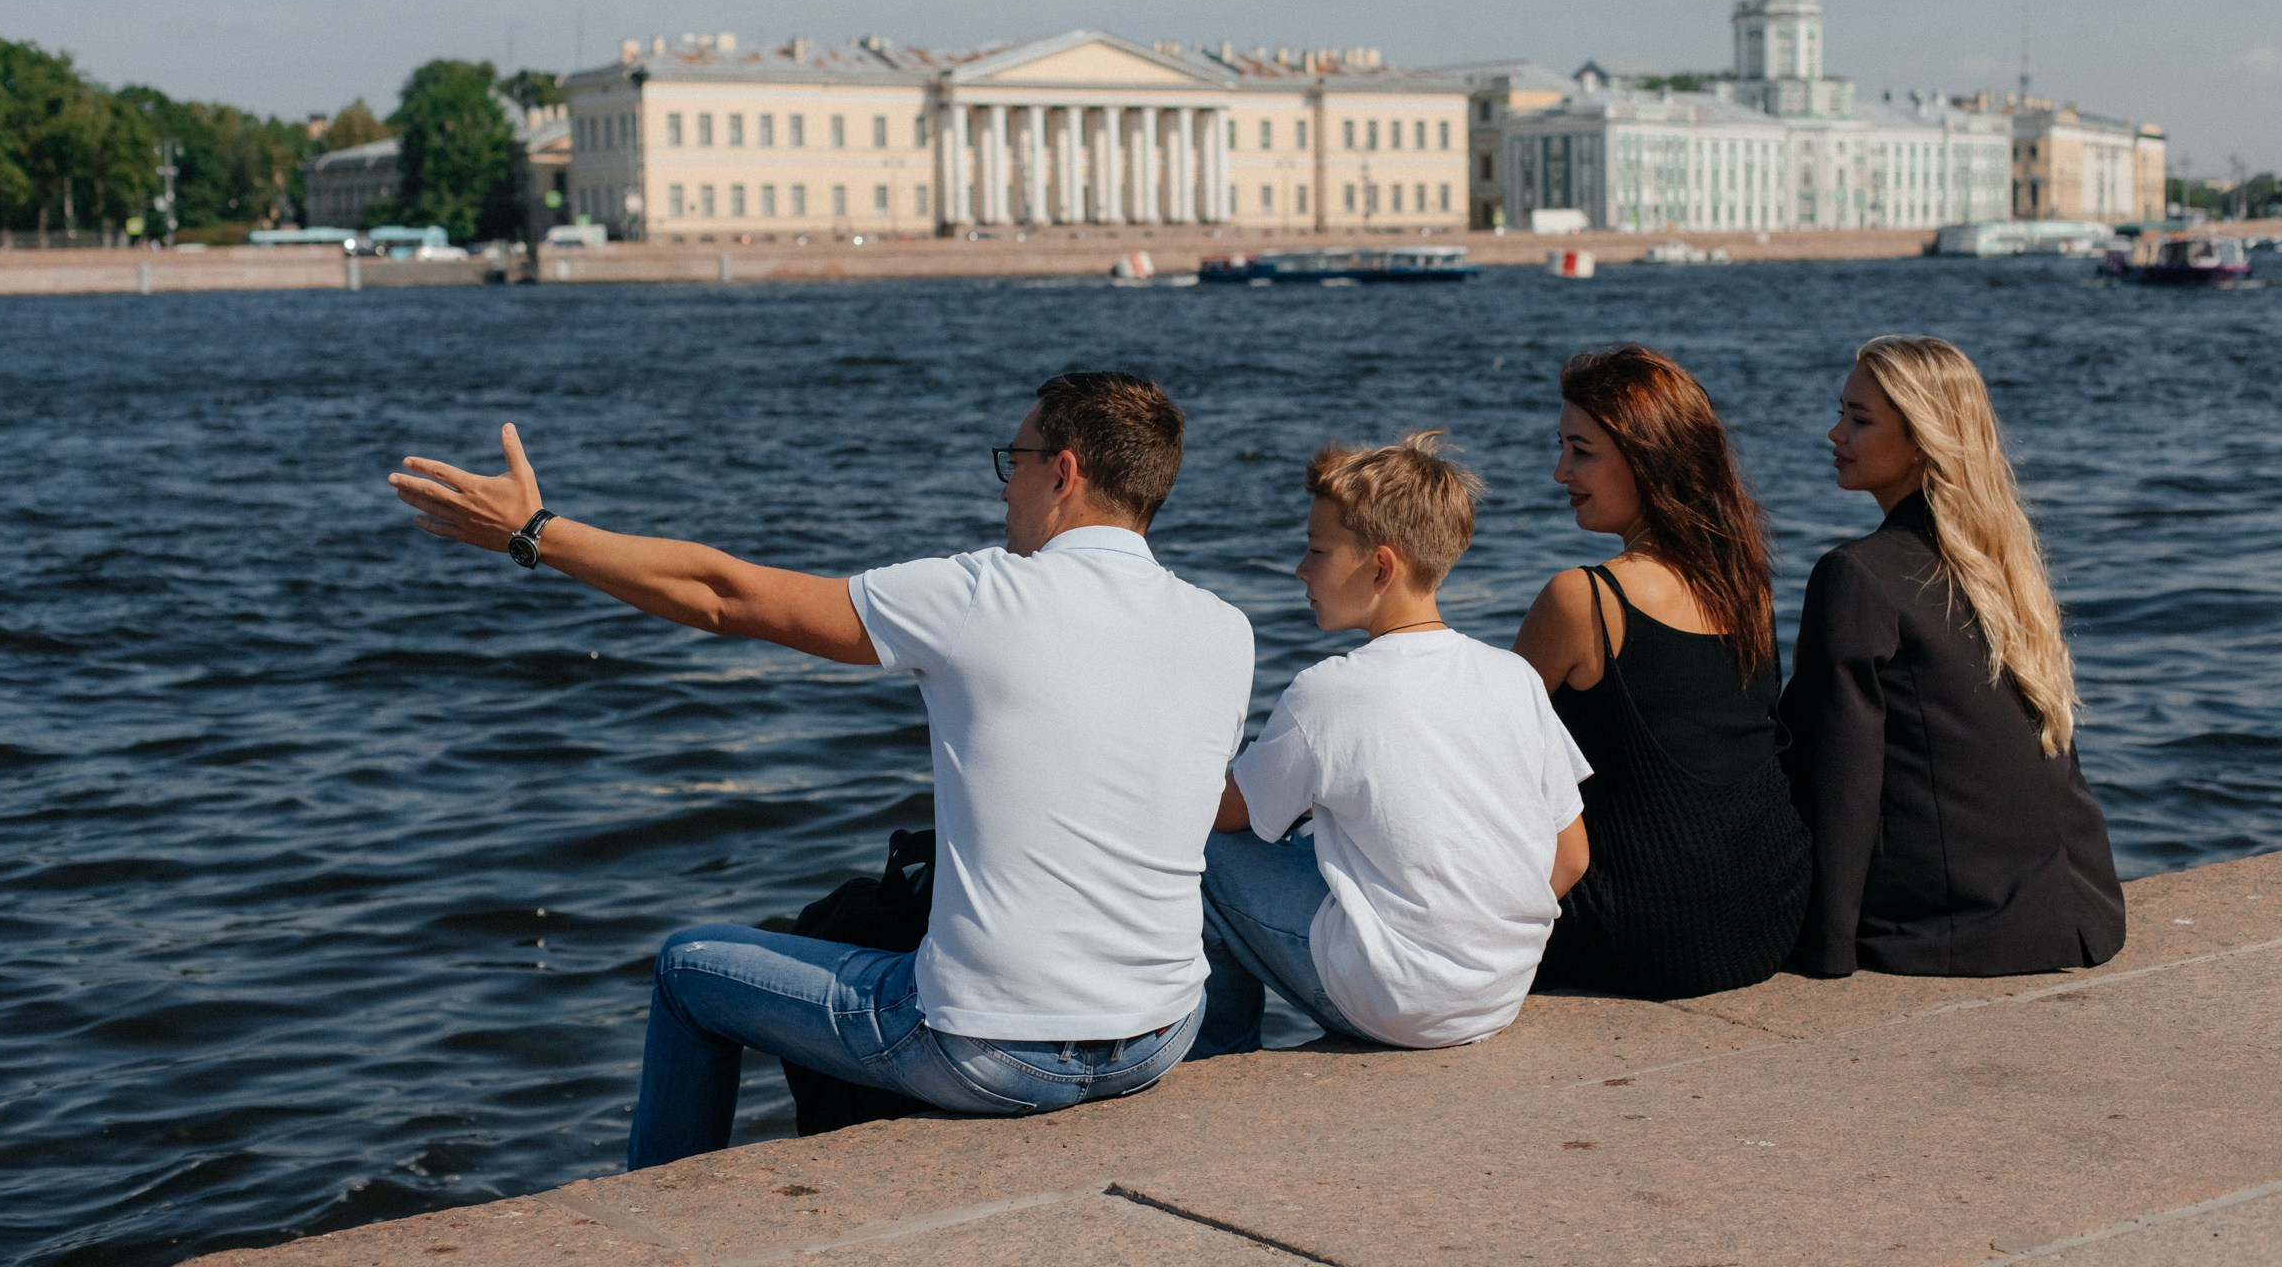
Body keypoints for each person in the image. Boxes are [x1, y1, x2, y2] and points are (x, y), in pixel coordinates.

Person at [387, 371, 1254, 1168]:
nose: (1003, 485)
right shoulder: (1226, 629)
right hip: (1159, 1035)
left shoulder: (983, 596)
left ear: (1063, 472)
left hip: (993, 1054)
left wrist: (534, 532)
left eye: (1014, 460)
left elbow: (727, 595)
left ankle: (651, 1221)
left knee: (691, 969)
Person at [1194, 431, 1592, 1058]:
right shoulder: (1512, 676)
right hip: (1500, 991)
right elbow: (1570, 858)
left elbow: (1221, 817)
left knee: (1204, 854)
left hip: (1398, 1002)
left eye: (1316, 551)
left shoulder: (1325, 692)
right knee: (1324, 835)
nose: (1300, 569)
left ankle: (1212, 1053)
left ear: (1380, 567)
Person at [1781, 336, 2124, 977]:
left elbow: (1842, 781)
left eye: (1859, 419)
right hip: (2072, 909)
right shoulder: (2003, 564)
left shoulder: (1856, 576)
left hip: (1952, 928)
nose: (1835, 433)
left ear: (1921, 440)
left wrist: (1824, 951)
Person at [1513, 347, 1811, 1001]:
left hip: (1643, 934)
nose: (1560, 471)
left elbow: (1485, 762)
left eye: (1581, 450)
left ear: (1647, 456)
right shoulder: (1744, 583)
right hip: (1769, 912)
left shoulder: (1581, 599)